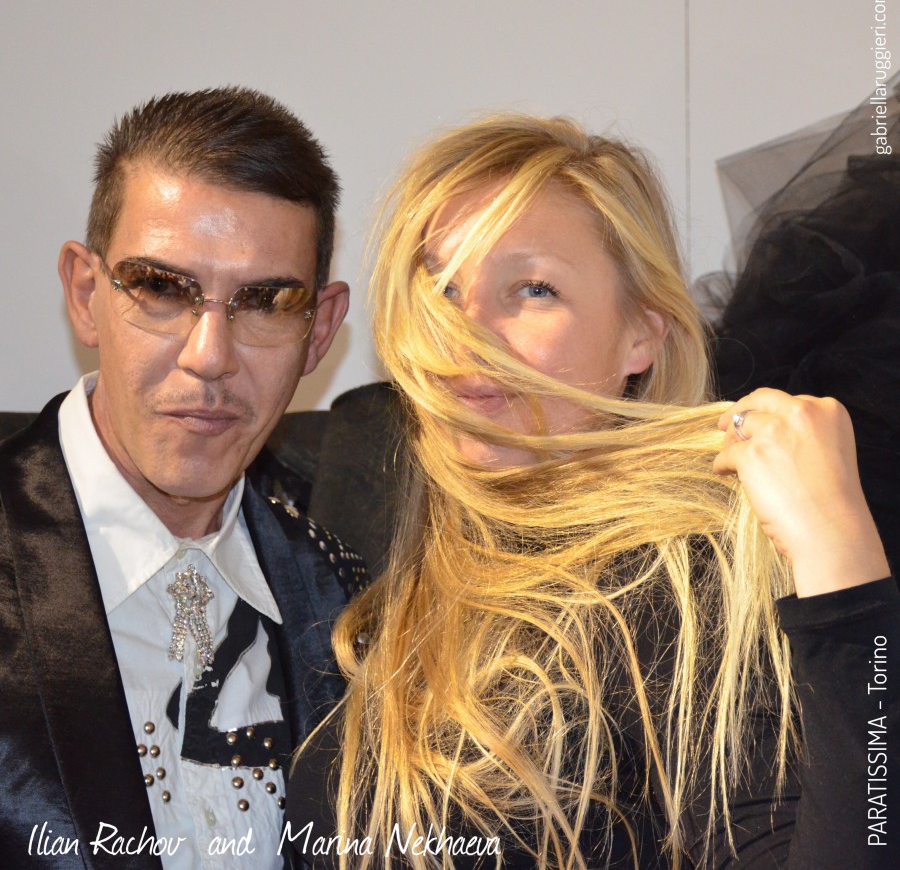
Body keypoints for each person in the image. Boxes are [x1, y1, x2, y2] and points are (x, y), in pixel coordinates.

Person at [286, 115, 899, 868]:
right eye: (443, 287)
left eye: (532, 289)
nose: (465, 330)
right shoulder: (387, 568)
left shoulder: (680, 578)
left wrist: (844, 574)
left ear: (642, 335)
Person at [0, 87, 366, 870]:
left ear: (319, 332)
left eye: (266, 302)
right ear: (85, 293)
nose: (210, 356)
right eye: (162, 288)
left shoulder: (350, 599)